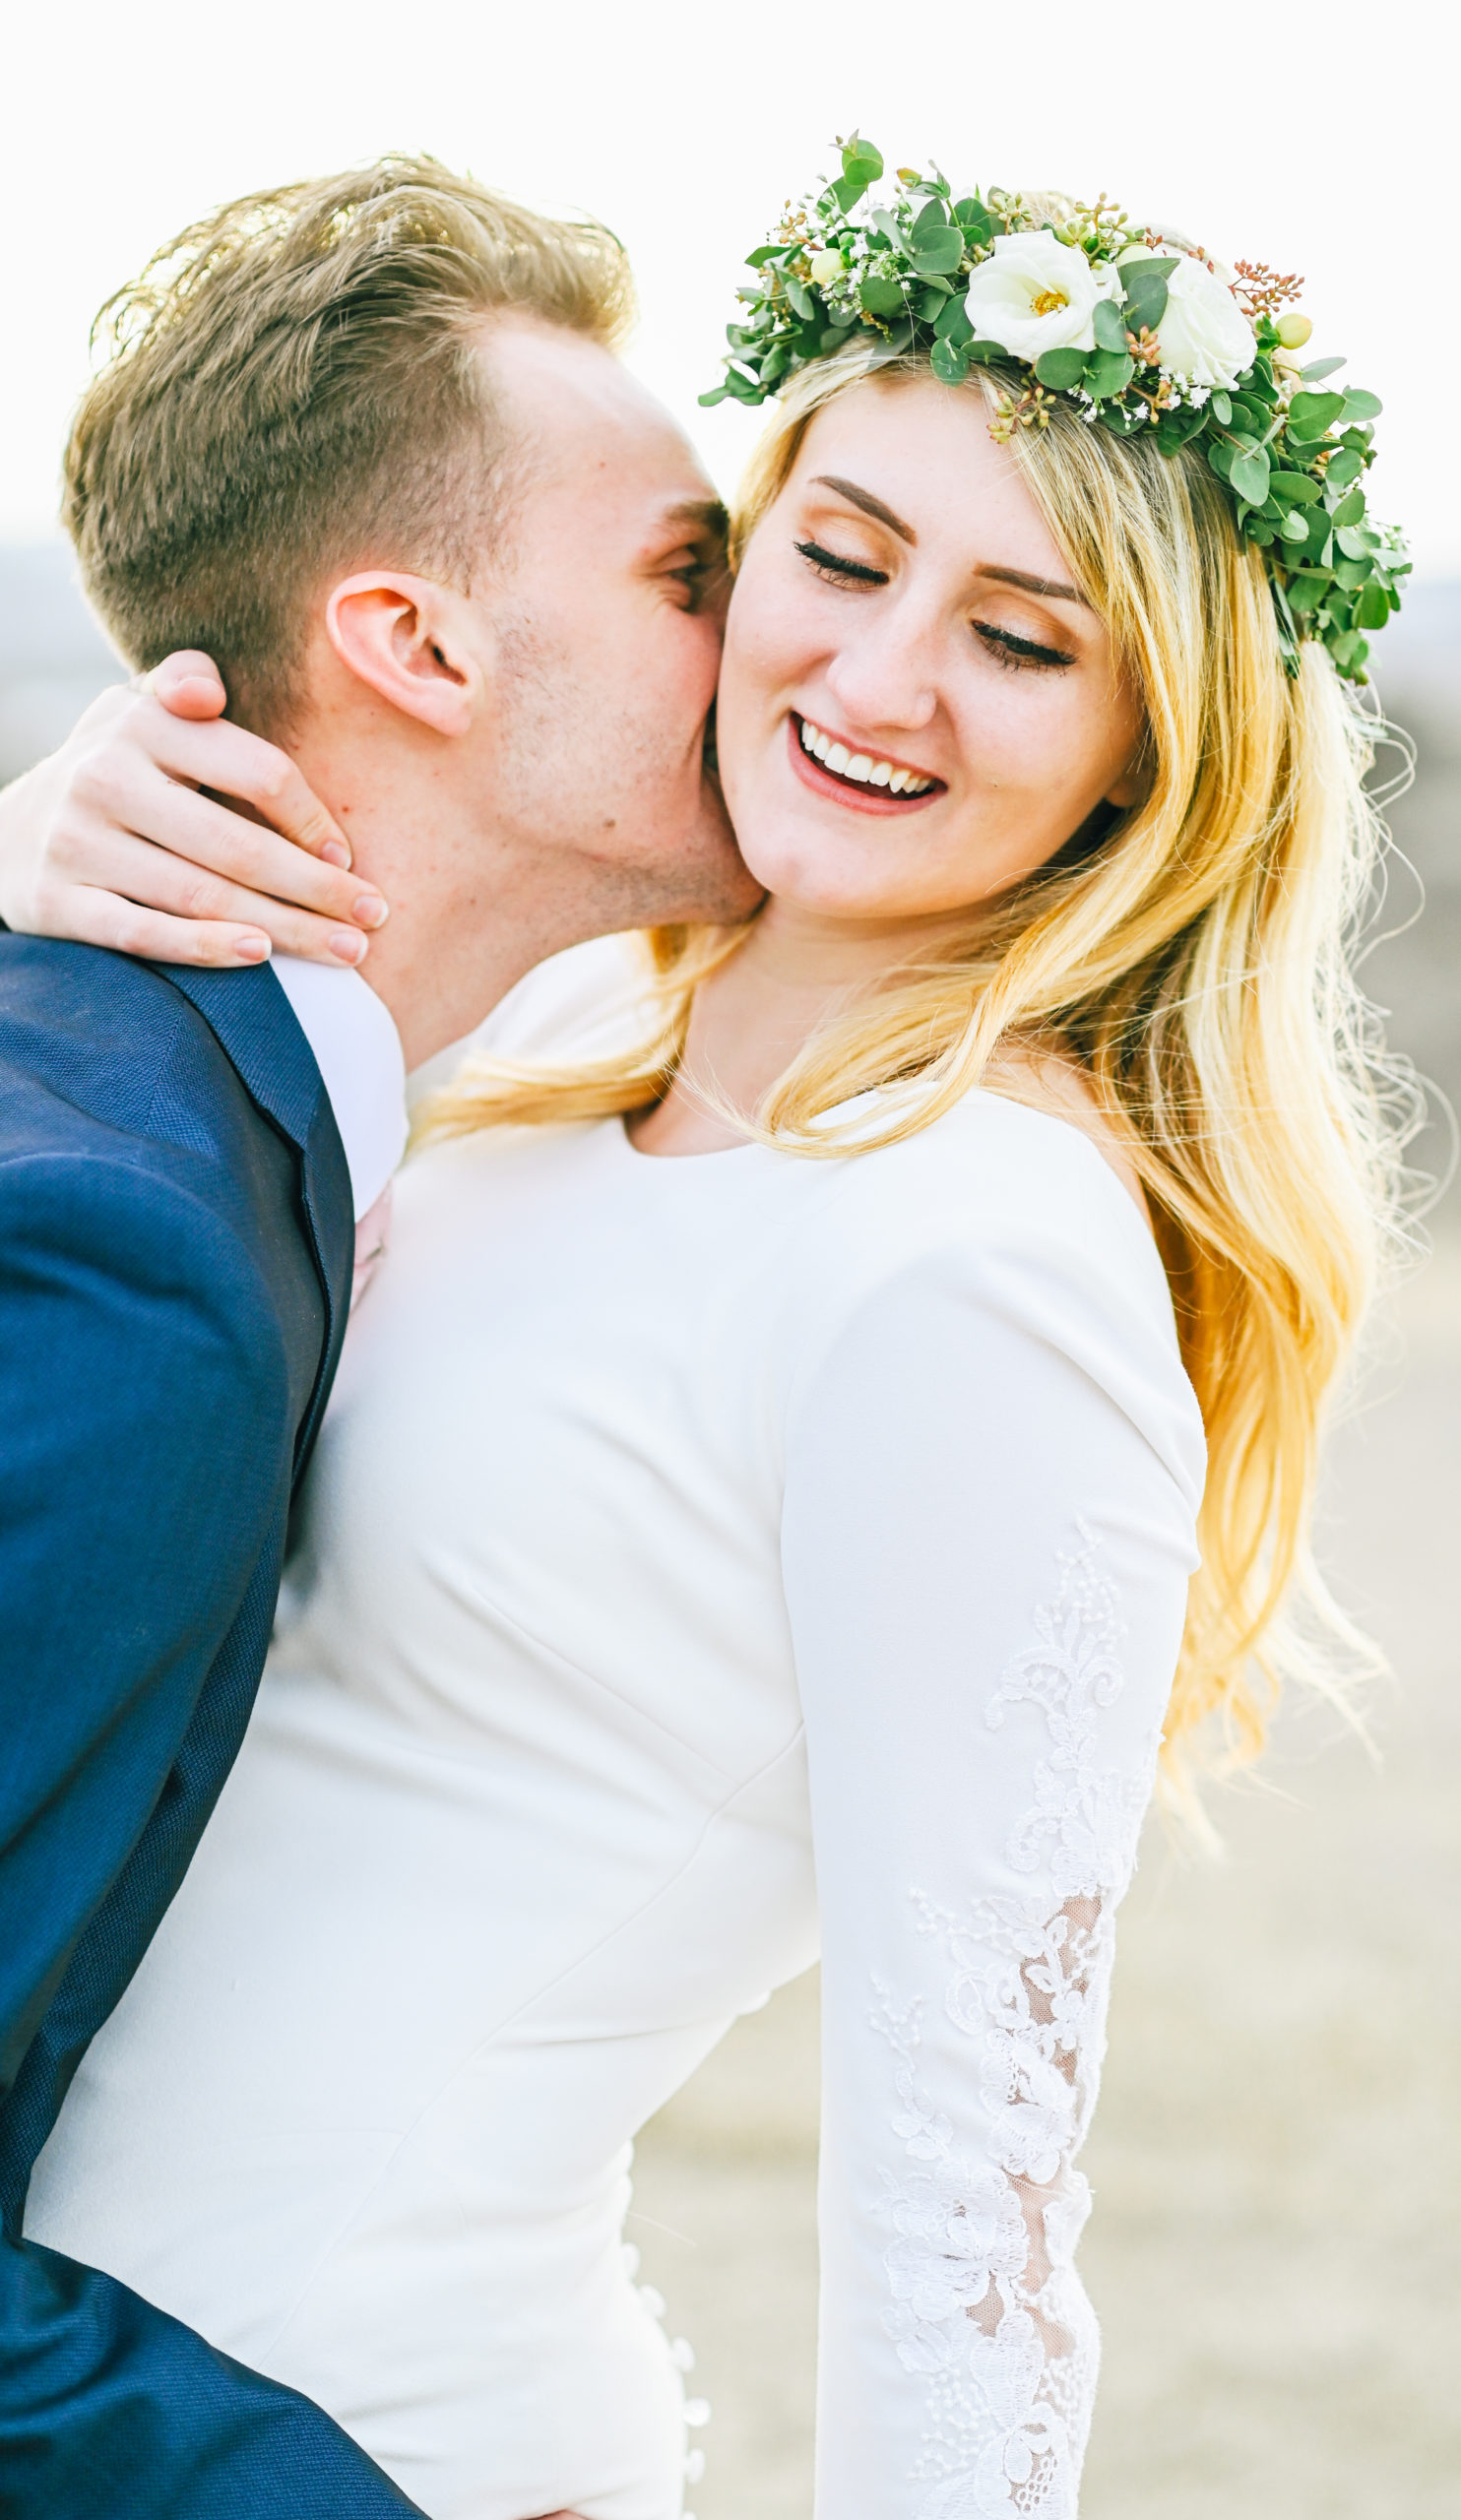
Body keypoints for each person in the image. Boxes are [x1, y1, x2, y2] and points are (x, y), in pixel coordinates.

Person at [1, 152, 1405, 2520]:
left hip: (344, 2438)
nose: (874, 678)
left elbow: (974, 2190)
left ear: (1142, 751)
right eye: (827, 560)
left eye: (1024, 638)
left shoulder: (975, 1264)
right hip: (112, 2391)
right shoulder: (532, 1084)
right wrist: (72, 835)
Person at [0, 158, 757, 2520]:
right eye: (689, 573)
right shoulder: (138, 1280)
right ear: (418, 647)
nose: (798, 654)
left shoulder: (184, 1104)